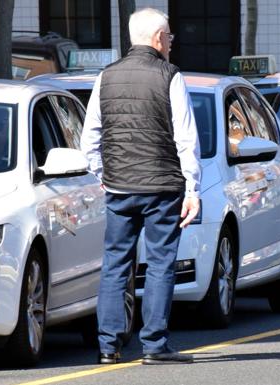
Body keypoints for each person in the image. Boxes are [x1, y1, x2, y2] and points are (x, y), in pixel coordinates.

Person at [81, 7, 201, 365]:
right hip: (163, 187)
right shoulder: (169, 75)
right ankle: (153, 344)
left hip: (119, 188)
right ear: (158, 38)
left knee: (116, 263)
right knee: (161, 263)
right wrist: (192, 189)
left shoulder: (106, 76)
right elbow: (186, 138)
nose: (171, 44)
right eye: (169, 37)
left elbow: (89, 138)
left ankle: (108, 345)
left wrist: (103, 174)